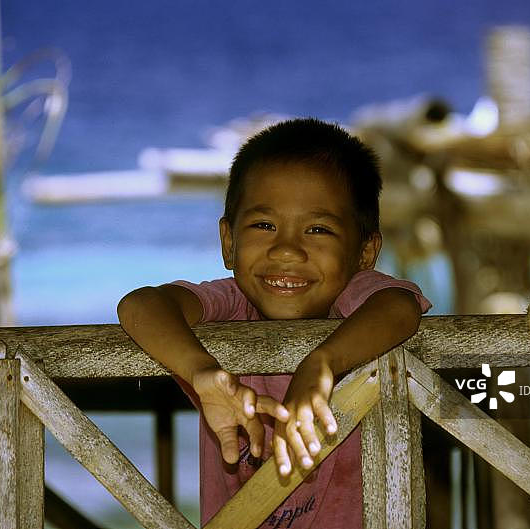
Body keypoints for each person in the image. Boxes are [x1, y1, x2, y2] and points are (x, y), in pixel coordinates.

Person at [118, 118, 431, 528]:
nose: (287, 249)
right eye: (264, 226)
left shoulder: (356, 301)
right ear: (229, 242)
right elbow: (140, 305)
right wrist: (205, 373)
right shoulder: (229, 304)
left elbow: (399, 308)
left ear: (365, 252)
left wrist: (322, 363)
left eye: (318, 229)